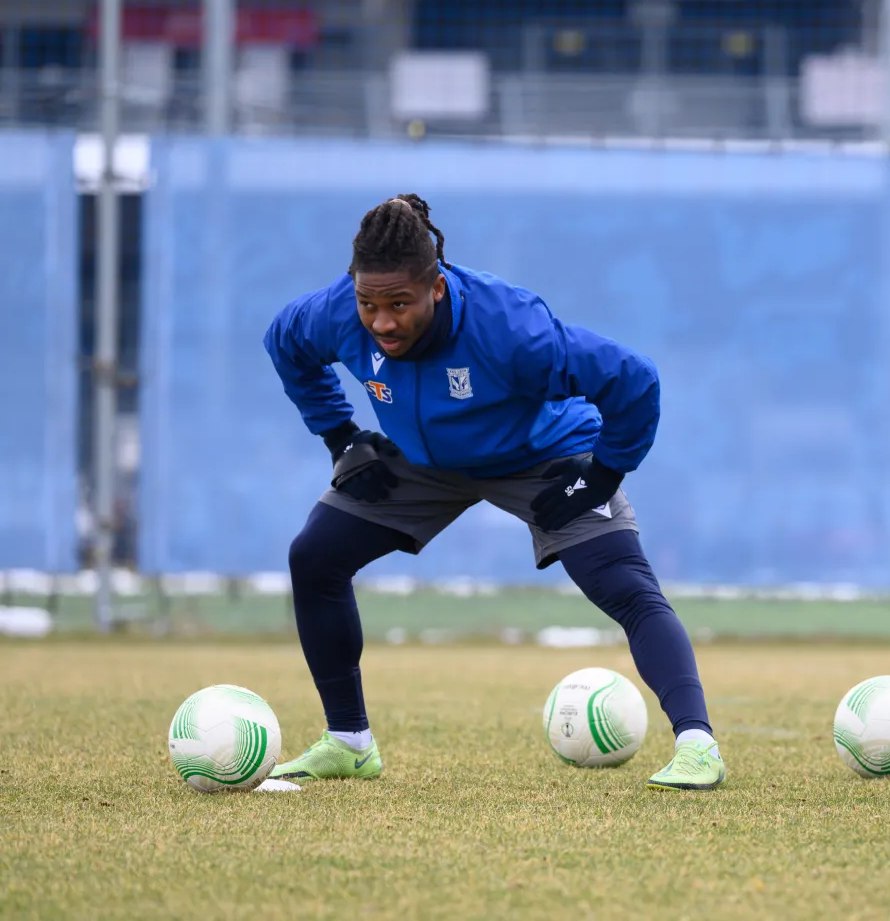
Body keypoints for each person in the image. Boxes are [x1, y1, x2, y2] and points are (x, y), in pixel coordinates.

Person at [262, 194, 723, 791]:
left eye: (398, 304)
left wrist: (604, 473)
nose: (381, 323)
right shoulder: (336, 314)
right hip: (424, 462)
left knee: (624, 587)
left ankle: (697, 746)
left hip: (541, 455)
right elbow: (285, 343)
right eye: (368, 304)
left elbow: (633, 379)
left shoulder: (511, 330)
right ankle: (349, 743)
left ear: (436, 287)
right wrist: (340, 436)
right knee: (315, 556)